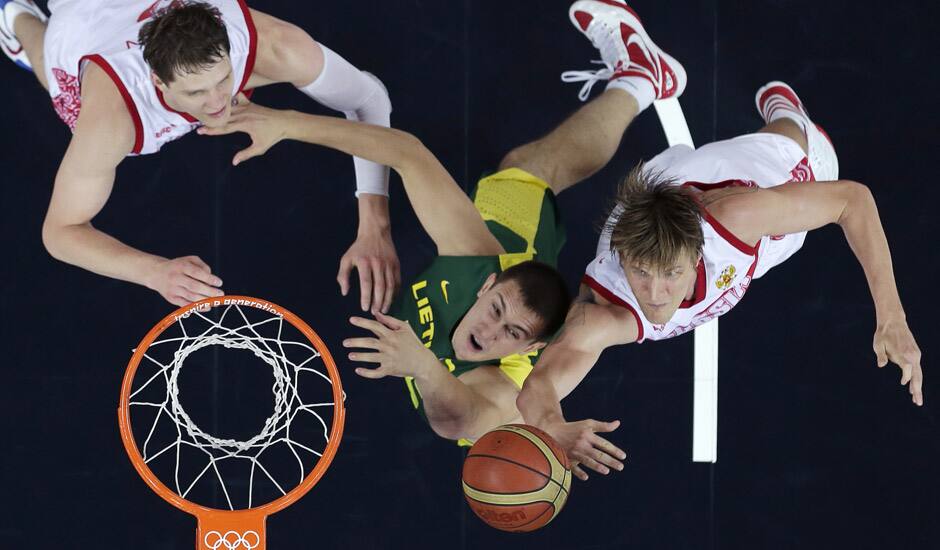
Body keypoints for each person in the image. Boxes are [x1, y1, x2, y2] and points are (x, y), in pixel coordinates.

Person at [195, 8, 687, 439]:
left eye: (513, 333)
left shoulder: (503, 382)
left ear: (533, 348)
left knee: (530, 168)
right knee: (529, 170)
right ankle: (641, 79)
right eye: (496, 310)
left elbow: (462, 422)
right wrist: (286, 124)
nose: (491, 335)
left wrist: (425, 369)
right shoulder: (479, 255)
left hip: (469, 348)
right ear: (486, 284)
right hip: (516, 232)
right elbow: (407, 153)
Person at [515, 0, 924, 480]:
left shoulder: (733, 221)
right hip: (666, 181)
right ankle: (663, 89)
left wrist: (892, 317)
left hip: (779, 170)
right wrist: (550, 427)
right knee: (665, 175)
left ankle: (786, 113)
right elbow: (538, 386)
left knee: (805, 145)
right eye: (642, 274)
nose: (654, 294)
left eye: (670, 274)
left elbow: (853, 201)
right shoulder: (610, 306)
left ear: (694, 253)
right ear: (623, 258)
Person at [0, 0, 398, 310]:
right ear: (157, 80)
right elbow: (61, 232)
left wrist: (374, 226)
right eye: (195, 94)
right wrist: (154, 272)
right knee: (53, 73)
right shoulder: (110, 121)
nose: (216, 103)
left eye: (223, 79)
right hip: (81, 23)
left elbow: (368, 98)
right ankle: (19, 21)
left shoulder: (275, 47)